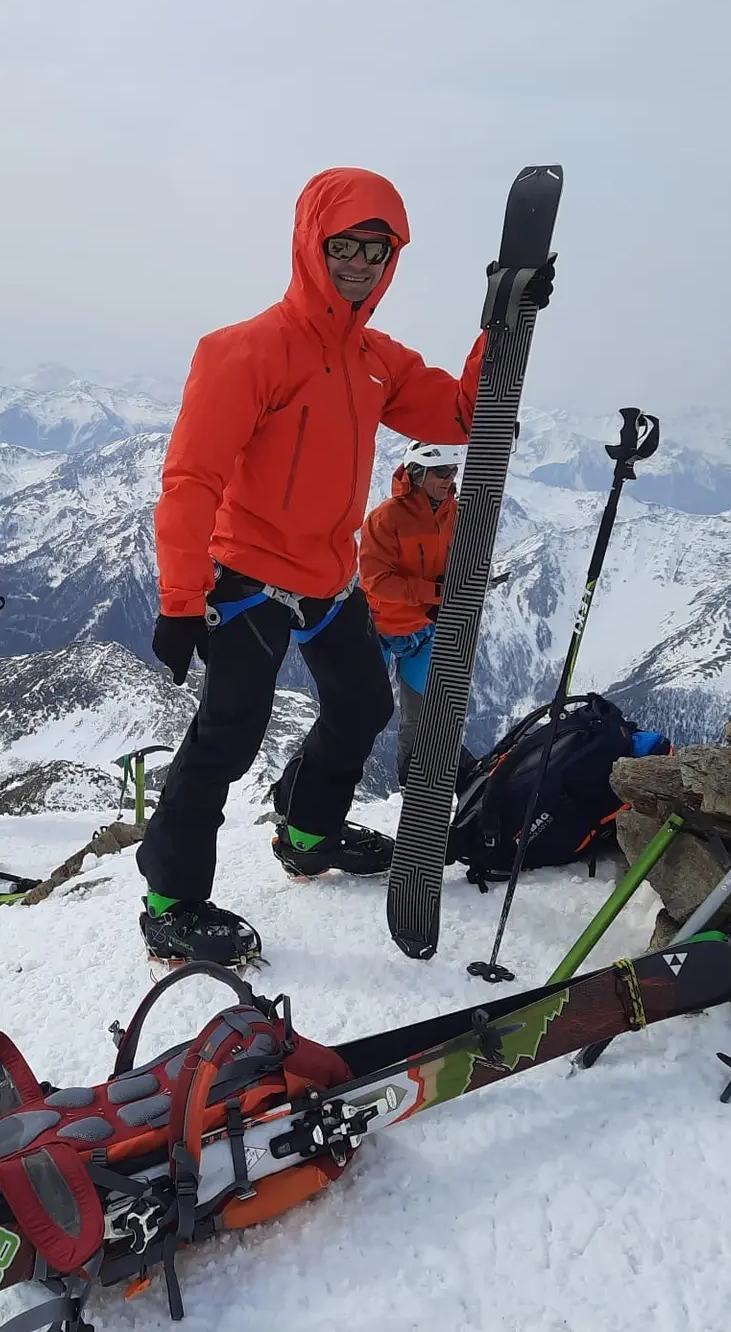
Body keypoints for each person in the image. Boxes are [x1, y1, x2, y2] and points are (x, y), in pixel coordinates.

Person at [138, 166, 553, 964]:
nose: (360, 262)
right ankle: (170, 900)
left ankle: (307, 832)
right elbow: (192, 479)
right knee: (227, 738)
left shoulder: (372, 358)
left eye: (378, 249)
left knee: (361, 704)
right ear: (310, 243)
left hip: (328, 582)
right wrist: (180, 597)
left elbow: (461, 414)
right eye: (345, 246)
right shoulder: (245, 351)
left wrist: (501, 324)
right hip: (248, 579)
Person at [360, 441, 463, 786]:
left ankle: (411, 782)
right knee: (362, 713)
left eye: (453, 471)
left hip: (423, 631)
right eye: (441, 472)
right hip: (380, 629)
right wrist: (434, 593)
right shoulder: (385, 518)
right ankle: (331, 776)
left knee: (420, 717)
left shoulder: (456, 515)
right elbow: (376, 582)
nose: (449, 479)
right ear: (417, 474)